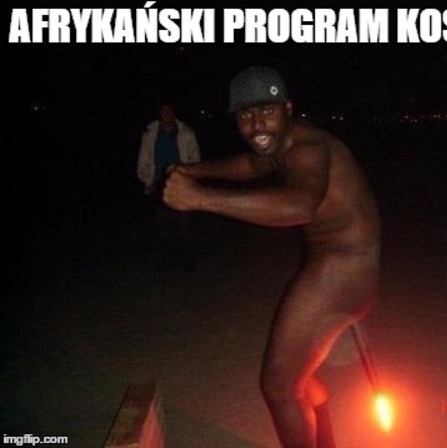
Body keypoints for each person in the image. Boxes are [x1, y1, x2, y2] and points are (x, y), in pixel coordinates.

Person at [163, 67, 381, 448]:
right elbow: (251, 165)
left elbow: (300, 206)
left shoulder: (309, 149)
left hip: (345, 271)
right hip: (340, 266)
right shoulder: (282, 143)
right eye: (245, 115)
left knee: (279, 386)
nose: (257, 124)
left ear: (288, 109)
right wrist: (192, 170)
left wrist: (198, 198)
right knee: (297, 374)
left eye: (267, 111)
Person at [137, 101, 202, 271]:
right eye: (163, 110)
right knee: (163, 224)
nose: (167, 113)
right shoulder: (150, 133)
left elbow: (195, 157)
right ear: (158, 113)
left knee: (183, 222)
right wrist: (148, 181)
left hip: (181, 181)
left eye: (170, 110)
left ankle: (187, 258)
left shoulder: (186, 132)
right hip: (158, 182)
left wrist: (191, 178)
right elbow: (144, 159)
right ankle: (169, 259)